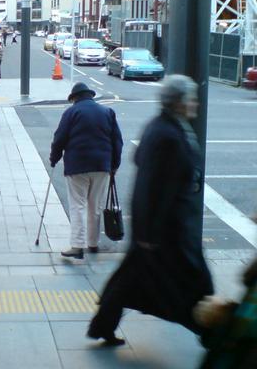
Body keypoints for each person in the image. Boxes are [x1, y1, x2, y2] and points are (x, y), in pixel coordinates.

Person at [88, 75, 214, 346]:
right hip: (166, 230)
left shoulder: (166, 127)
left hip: (163, 228)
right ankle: (212, 332)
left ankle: (103, 325)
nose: (196, 104)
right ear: (179, 102)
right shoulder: (166, 134)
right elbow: (149, 186)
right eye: (191, 98)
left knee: (130, 280)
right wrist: (146, 233)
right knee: (194, 283)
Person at [49, 82, 123, 259]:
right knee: (95, 206)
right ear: (90, 95)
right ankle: (93, 243)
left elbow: (59, 138)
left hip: (77, 166)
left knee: (78, 205)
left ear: (74, 98)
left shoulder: (71, 112)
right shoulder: (107, 112)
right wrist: (114, 165)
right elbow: (117, 141)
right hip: (101, 166)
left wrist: (54, 158)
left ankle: (77, 245)